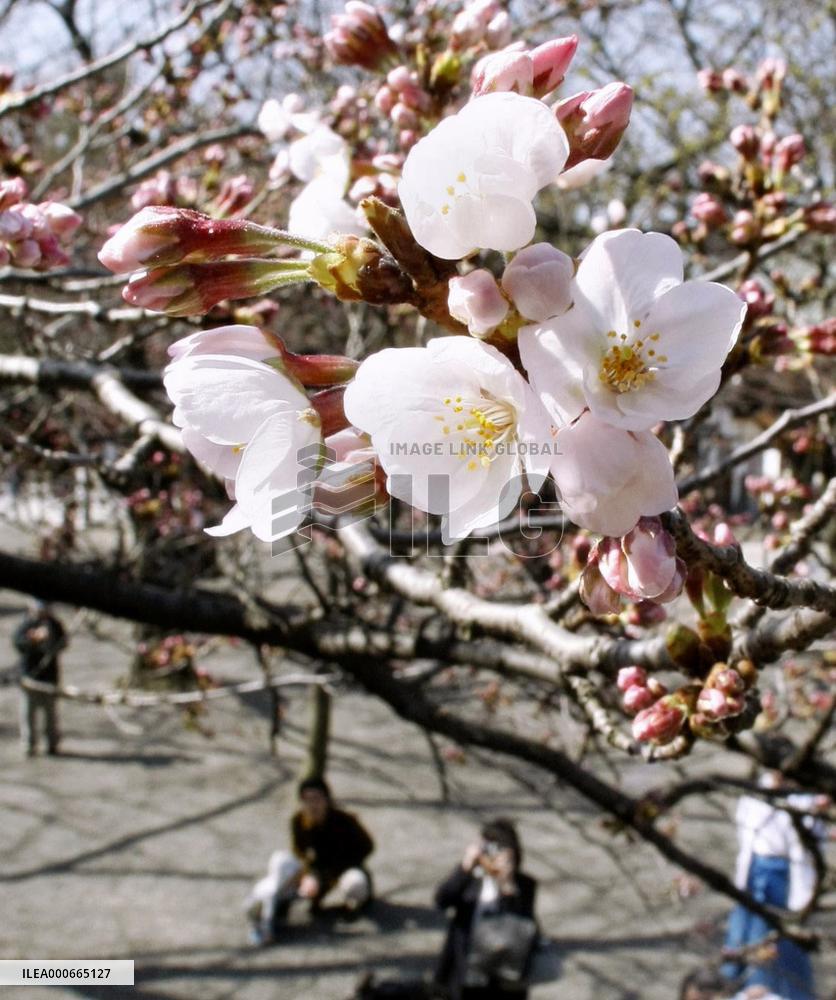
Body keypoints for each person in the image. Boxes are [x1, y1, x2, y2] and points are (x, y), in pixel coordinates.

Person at [721, 771, 830, 1000]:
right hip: (756, 872)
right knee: (748, 934)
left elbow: (810, 837)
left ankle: (779, 991)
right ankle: (743, 986)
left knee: (779, 940)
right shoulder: (758, 789)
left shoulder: (802, 796)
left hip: (783, 876)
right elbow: (746, 826)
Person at [245, 776, 374, 945]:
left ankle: (355, 905)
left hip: (344, 868)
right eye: (307, 800)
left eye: (317, 798)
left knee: (355, 884)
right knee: (288, 872)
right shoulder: (298, 822)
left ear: (326, 799)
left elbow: (367, 845)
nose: (313, 804)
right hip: (317, 871)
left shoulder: (345, 821)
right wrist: (308, 876)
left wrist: (337, 869)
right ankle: (273, 911)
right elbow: (298, 853)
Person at [434, 818, 538, 1000]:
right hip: (465, 968)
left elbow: (525, 930)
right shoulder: (471, 878)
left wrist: (507, 887)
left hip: (502, 974)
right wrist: (464, 868)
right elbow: (442, 900)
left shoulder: (524, 886)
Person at [14, 602, 67, 756]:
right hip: (29, 678)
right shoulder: (26, 624)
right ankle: (28, 744)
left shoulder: (55, 624)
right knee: (28, 714)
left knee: (50, 715)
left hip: (49, 678)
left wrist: (48, 638)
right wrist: (33, 640)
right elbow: (18, 643)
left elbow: (62, 643)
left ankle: (52, 744)